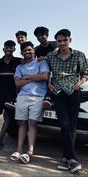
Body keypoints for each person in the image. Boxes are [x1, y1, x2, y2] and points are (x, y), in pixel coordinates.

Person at [46, 29, 88, 173]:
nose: (62, 43)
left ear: (70, 40)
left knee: (72, 124)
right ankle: (73, 159)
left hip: (74, 92)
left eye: (65, 40)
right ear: (56, 42)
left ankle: (65, 157)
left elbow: (86, 73)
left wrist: (79, 83)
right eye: (59, 41)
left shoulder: (79, 55)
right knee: (64, 123)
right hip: (58, 92)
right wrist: (48, 83)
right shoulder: (51, 55)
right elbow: (47, 72)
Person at [10, 41, 49, 164]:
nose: (27, 52)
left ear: (33, 50)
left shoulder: (41, 62)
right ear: (21, 53)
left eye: (29, 50)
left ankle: (30, 152)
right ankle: (19, 150)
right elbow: (17, 83)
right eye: (24, 51)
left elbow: (44, 76)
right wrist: (35, 77)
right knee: (21, 124)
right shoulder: (19, 67)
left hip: (37, 97)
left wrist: (26, 77)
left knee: (32, 123)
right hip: (22, 97)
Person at [0, 40, 21, 150]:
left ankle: (0, 140)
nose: (8, 49)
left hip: (11, 93)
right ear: (3, 49)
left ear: (14, 49)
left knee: (7, 116)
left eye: (11, 47)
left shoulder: (18, 61)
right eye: (6, 47)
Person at [34, 26, 58, 109]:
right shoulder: (36, 49)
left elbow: (56, 54)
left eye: (42, 35)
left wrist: (44, 58)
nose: (40, 37)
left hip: (56, 69)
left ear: (47, 35)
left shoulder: (55, 44)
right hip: (44, 71)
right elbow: (33, 60)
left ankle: (49, 99)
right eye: (38, 36)